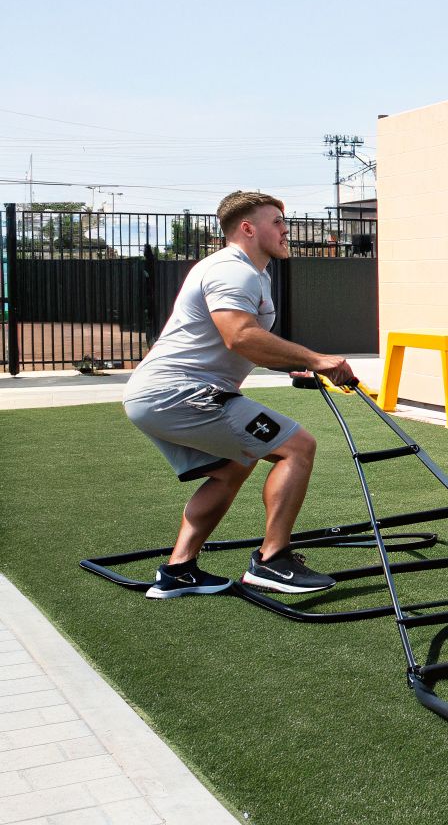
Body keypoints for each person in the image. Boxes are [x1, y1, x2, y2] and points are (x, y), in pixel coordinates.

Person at [122, 191, 357, 598]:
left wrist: (291, 363)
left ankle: (178, 570)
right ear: (248, 228)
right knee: (297, 447)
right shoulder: (235, 270)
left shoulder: (249, 271)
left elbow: (248, 343)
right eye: (278, 222)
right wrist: (318, 358)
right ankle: (273, 561)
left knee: (232, 466)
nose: (287, 230)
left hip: (159, 395)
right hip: (183, 392)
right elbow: (240, 336)